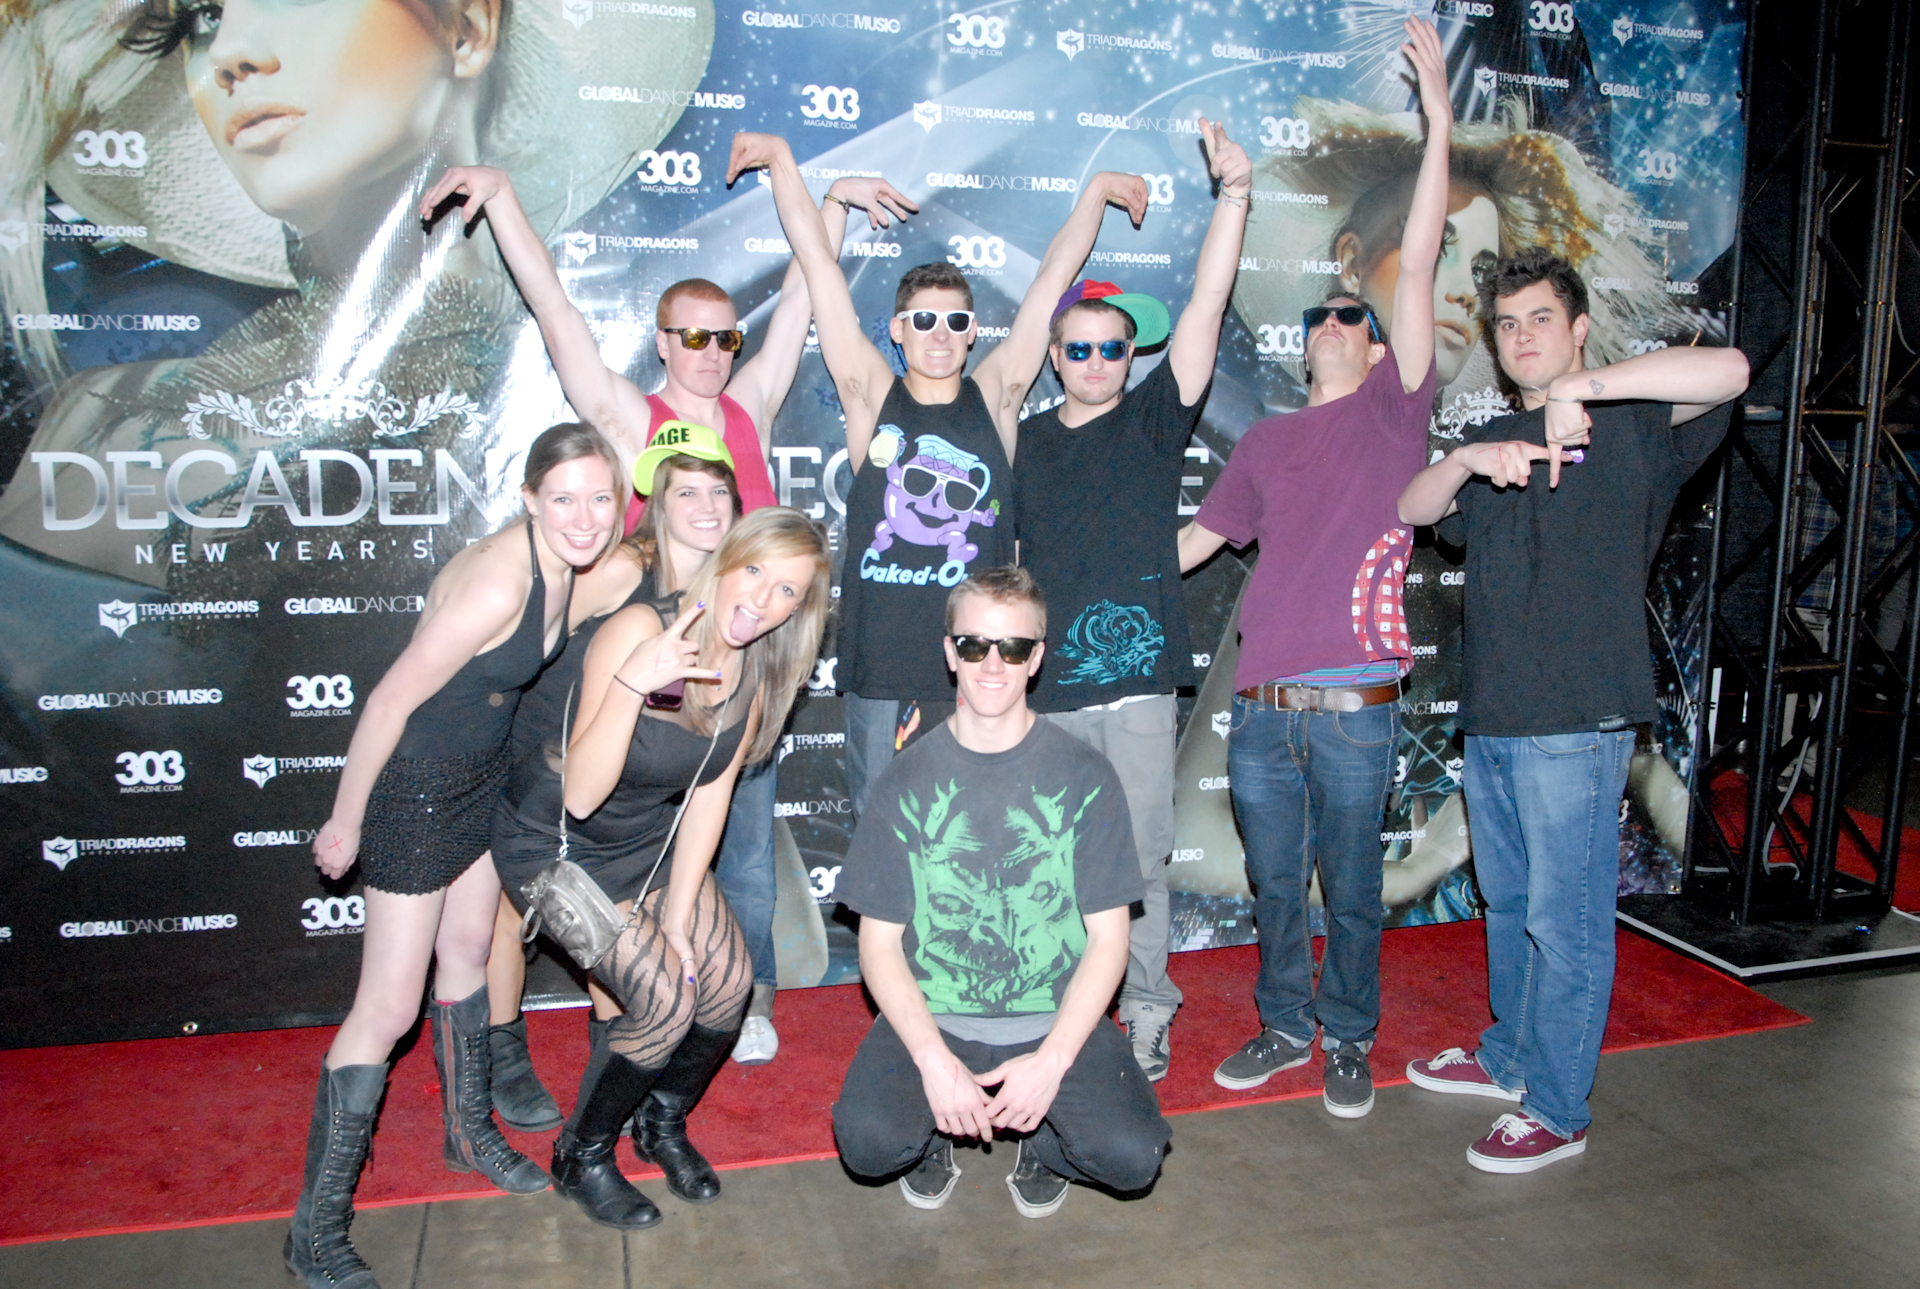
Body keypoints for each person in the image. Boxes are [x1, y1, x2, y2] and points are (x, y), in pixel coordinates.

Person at [423, 164, 915, 1066]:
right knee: (569, 861)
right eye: (693, 335)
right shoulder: (628, 415)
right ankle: (537, 1039)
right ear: (661, 341)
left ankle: (735, 1001)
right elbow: (557, 315)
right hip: (636, 673)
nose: (712, 350)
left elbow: (802, 299)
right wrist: (503, 201)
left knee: (744, 847)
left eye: (726, 336)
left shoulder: (749, 407)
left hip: (739, 663)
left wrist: (831, 208)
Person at [0, 0, 709, 585]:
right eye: (204, 17)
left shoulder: (562, 399)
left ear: (468, 28)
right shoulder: (99, 418)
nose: (229, 53)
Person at [1396, 248, 1747, 1172]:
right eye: (1507, 323)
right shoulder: (1496, 437)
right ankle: (1510, 1056)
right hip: (1494, 717)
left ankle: (1556, 1108)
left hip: (1579, 718)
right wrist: (1465, 456)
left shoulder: (1631, 419)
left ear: (1580, 327)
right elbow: (1414, 508)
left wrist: (1580, 390)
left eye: (1541, 319)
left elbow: (1731, 369)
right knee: (1510, 904)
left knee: (1567, 920)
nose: (1521, 337)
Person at [1175, 17, 1451, 1120]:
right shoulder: (1264, 442)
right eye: (1319, 316)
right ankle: (1287, 1024)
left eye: (1352, 314)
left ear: (1379, 346)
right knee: (1276, 886)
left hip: (1355, 712)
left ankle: (1349, 1035)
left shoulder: (1393, 413)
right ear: (1303, 346)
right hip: (1263, 714)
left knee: (1355, 889)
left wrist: (1437, 121)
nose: (1333, 321)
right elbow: (1194, 546)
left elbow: (1417, 259)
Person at [287, 423, 625, 1289]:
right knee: (387, 1005)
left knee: (470, 950)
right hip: (416, 788)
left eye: (600, 497)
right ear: (529, 498)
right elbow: (389, 698)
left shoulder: (566, 564)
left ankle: (469, 1134)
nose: (584, 516)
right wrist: (346, 819)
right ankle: (314, 1231)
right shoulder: (499, 579)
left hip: (480, 777)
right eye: (564, 499)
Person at [725, 130, 1149, 819]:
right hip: (882, 671)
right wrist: (781, 163)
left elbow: (1050, 281)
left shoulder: (996, 395)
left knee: (979, 837)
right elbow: (820, 268)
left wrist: (1096, 192)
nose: (941, 332)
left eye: (956, 320)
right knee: (882, 841)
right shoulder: (871, 396)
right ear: (898, 330)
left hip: (983, 667)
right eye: (924, 319)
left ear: (974, 331)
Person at [491, 506, 831, 1228]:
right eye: (755, 571)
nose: (763, 599)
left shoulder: (755, 668)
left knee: (727, 985)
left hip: (644, 841)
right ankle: (580, 1154)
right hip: (555, 845)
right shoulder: (641, 629)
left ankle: (660, 1122)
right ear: (726, 559)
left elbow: (709, 794)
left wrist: (678, 918)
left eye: (787, 591)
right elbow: (580, 796)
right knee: (665, 1001)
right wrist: (629, 685)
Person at [1012, 121, 1252, 1082]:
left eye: (1112, 346)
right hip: (1048, 689)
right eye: (1078, 346)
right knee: (1054, 859)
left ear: (1130, 352)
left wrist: (1234, 197)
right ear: (1054, 354)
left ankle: (1148, 1007)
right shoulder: (1025, 441)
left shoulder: (1155, 420)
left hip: (1140, 687)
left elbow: (1206, 306)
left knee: (1143, 858)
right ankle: (1060, 1013)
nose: (1096, 359)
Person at [830, 566, 1170, 1219]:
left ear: (1036, 657)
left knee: (1133, 1158)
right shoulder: (905, 779)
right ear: (949, 651)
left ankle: (1043, 1141)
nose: (992, 664)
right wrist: (932, 1061)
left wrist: (1052, 1062)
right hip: (938, 1014)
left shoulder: (1085, 775)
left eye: (1012, 647)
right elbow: (879, 946)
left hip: (1052, 1016)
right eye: (974, 644)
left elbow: (1109, 941)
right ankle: (935, 1129)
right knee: (867, 1146)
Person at [483, 426, 742, 1131]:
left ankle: (611, 1049)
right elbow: (534, 630)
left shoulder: (728, 587)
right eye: (685, 491)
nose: (705, 506)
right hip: (550, 749)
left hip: (624, 768)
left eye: (718, 490)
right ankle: (503, 1049)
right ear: (656, 501)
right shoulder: (628, 568)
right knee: (510, 909)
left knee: (608, 917)